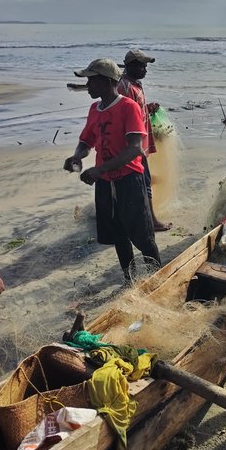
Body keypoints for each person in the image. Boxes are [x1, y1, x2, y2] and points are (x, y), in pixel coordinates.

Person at [63, 58, 161, 282]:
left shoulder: (128, 107)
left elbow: (135, 148)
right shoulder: (94, 109)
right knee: (118, 235)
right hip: (106, 183)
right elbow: (86, 141)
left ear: (107, 81)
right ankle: (130, 279)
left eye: (91, 80)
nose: (88, 85)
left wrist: (100, 170)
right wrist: (77, 156)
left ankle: (157, 279)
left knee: (144, 237)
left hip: (129, 180)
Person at [118, 49, 172, 232]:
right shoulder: (124, 87)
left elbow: (134, 112)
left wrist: (147, 109)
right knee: (143, 182)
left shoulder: (134, 85)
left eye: (146, 65)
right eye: (142, 65)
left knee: (141, 182)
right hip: (133, 147)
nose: (145, 69)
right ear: (130, 65)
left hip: (137, 146)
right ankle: (151, 221)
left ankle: (140, 218)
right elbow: (123, 116)